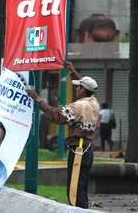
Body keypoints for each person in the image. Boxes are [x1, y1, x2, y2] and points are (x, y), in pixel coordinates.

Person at [26, 61, 100, 209]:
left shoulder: (79, 106)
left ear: (83, 91)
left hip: (78, 152)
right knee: (82, 187)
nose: (76, 89)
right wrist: (73, 71)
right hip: (87, 150)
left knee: (74, 190)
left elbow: (56, 116)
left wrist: (37, 98)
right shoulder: (94, 102)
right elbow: (87, 88)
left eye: (78, 87)